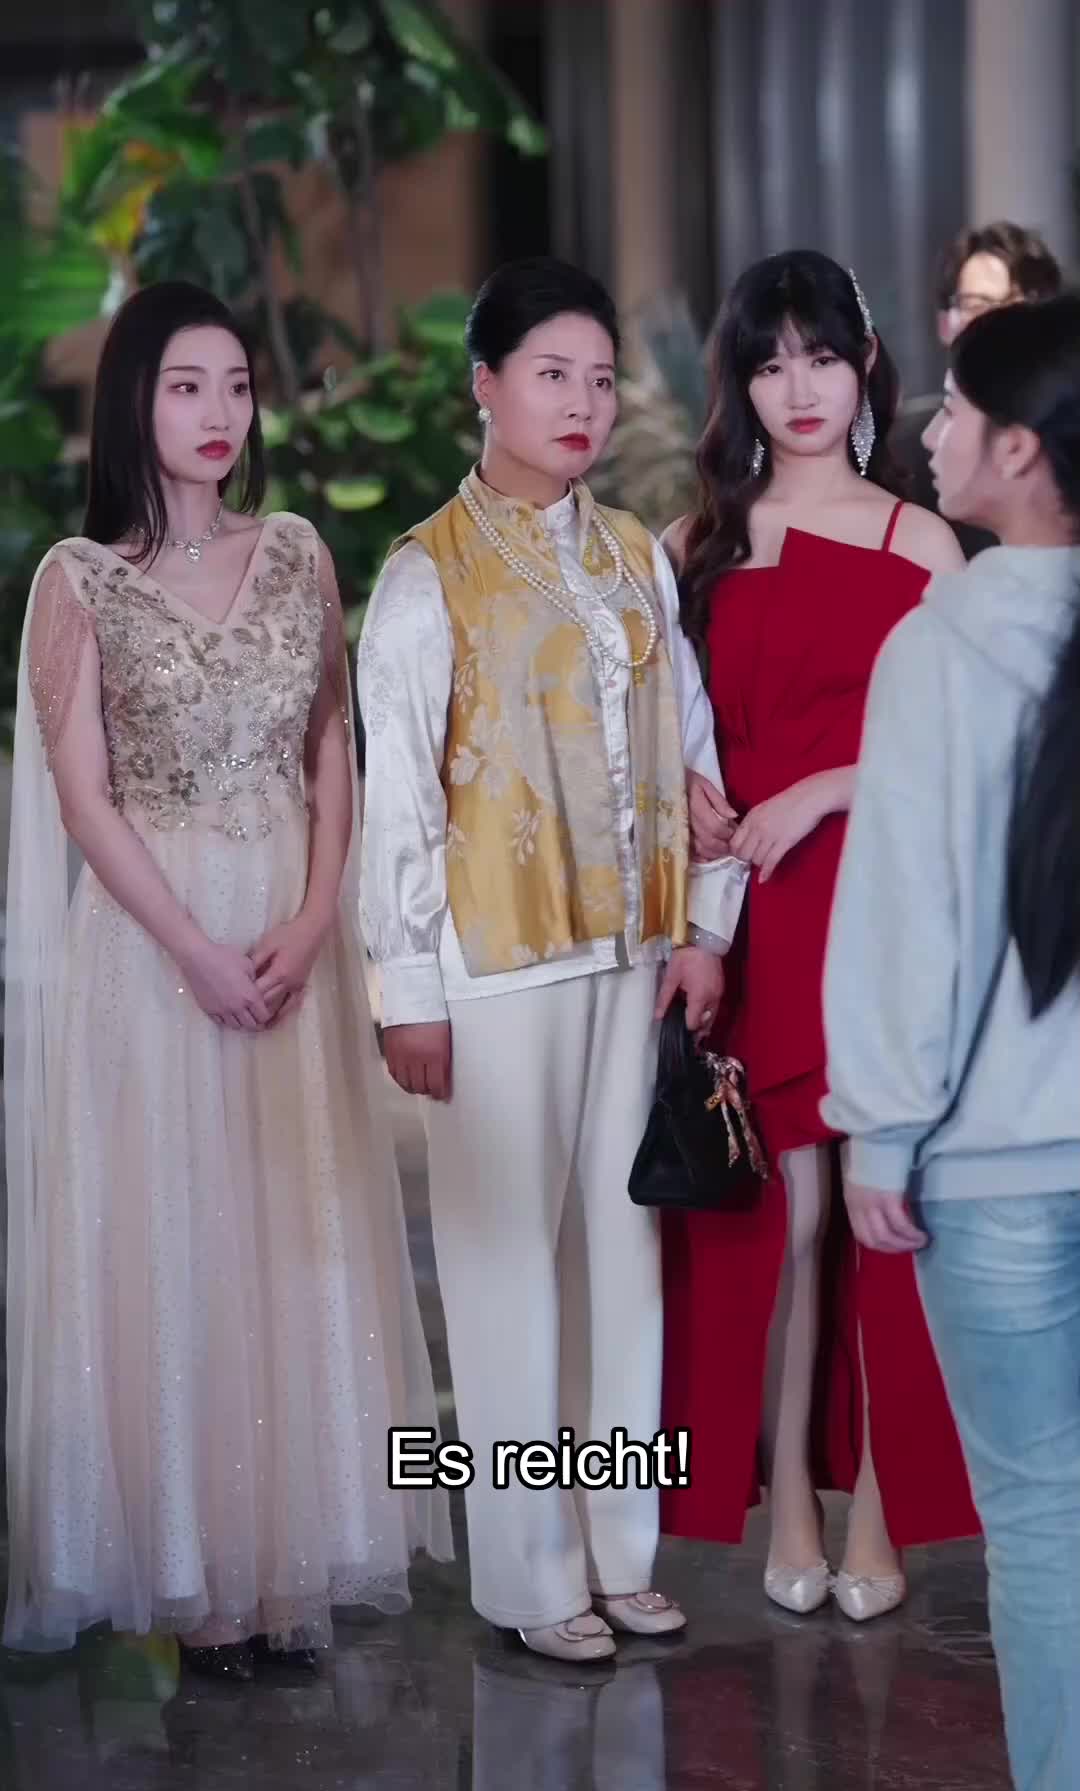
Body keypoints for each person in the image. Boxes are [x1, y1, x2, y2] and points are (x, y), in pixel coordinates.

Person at [3, 281, 452, 1678]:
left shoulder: (297, 552)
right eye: (187, 385)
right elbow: (83, 799)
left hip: (284, 929)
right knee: (176, 1237)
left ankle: (286, 1563)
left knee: (293, 1229)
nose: (219, 414)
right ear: (133, 399)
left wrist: (317, 916)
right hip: (152, 945)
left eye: (238, 387)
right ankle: (193, 1579)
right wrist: (192, 950)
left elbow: (331, 743)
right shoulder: (79, 581)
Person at [356, 257, 747, 1665]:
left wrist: (706, 922)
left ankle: (620, 1551)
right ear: (486, 386)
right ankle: (530, 1577)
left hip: (629, 954)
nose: (581, 402)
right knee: (507, 1271)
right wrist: (406, 991)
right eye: (550, 375)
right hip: (494, 966)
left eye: (598, 378)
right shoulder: (426, 574)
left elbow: (693, 748)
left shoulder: (635, 553)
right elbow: (398, 799)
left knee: (619, 1260)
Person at [660, 249, 978, 1621]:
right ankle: (787, 1497)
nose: (798, 388)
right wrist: (683, 792)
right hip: (755, 913)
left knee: (882, 1216)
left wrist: (829, 787)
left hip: (883, 897)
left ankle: (883, 1518)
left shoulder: (921, 542)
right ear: (740, 381)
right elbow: (662, 734)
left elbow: (964, 749)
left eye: (822, 358)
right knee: (786, 1222)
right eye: (770, 362)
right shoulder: (695, 545)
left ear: (865, 368)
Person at [824, 293, 1080, 1791]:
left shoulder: (941, 646)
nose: (931, 431)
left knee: (1045, 1528)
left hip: (992, 1164)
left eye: (961, 410)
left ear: (1024, 450)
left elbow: (908, 918)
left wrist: (881, 1126)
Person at [891, 221, 1063, 559]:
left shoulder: (1066, 440)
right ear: (945, 324)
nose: (999, 324)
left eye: (1018, 307)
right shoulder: (901, 450)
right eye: (978, 304)